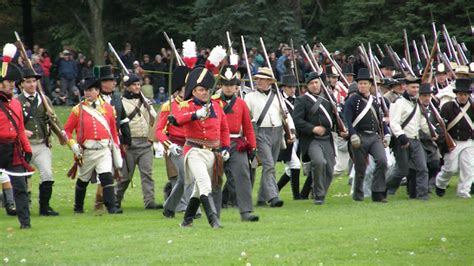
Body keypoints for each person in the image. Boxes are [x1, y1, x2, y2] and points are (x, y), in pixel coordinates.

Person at [175, 66, 230, 229]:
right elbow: (178, 118)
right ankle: (214, 220)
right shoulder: (187, 105)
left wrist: (226, 147)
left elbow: (224, 129)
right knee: (205, 183)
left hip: (212, 153)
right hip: (194, 151)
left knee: (198, 190)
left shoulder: (217, 106)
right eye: (201, 89)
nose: (205, 92)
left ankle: (187, 220)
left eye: (207, 89)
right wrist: (195, 114)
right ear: (193, 91)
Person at [63, 77, 123, 214]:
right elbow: (66, 130)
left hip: (104, 149)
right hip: (87, 150)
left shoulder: (108, 109)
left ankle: (111, 206)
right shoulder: (78, 110)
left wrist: (116, 148)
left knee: (106, 176)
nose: (88, 93)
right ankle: (78, 207)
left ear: (98, 91)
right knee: (83, 180)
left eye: (91, 90)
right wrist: (72, 144)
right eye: (86, 90)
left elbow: (113, 131)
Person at [213, 65, 259, 221]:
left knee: (243, 174)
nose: (228, 88)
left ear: (236, 87)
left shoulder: (241, 104)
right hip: (217, 143)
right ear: (220, 85)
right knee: (214, 178)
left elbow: (248, 128)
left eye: (231, 85)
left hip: (236, 142)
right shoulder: (212, 103)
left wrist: (252, 147)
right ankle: (213, 211)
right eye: (225, 85)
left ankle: (246, 211)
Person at [294, 72, 348, 204]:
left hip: (327, 138)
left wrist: (342, 129)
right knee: (319, 162)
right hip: (311, 139)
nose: (314, 85)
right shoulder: (302, 100)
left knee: (330, 168)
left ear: (320, 83)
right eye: (311, 83)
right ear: (307, 86)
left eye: (316, 82)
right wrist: (313, 128)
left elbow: (336, 118)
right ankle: (319, 195)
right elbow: (297, 120)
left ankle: (319, 191)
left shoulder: (328, 98)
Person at [115, 73, 161, 210]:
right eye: (134, 85)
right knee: (125, 177)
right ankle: (115, 201)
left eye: (138, 84)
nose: (137, 87)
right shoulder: (121, 102)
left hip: (145, 142)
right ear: (127, 87)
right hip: (129, 143)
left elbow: (154, 116)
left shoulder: (145, 100)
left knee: (147, 174)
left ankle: (149, 201)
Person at [17, 68, 59, 216]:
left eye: (34, 81)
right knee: (22, 179)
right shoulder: (16, 102)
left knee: (47, 175)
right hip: (23, 146)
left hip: (41, 144)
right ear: (22, 84)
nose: (32, 84)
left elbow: (54, 121)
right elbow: (11, 124)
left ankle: (44, 207)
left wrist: (62, 135)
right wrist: (21, 132)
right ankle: (21, 206)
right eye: (28, 81)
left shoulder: (44, 100)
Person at [343, 68, 390, 202]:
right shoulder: (352, 101)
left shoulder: (375, 101)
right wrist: (353, 135)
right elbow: (348, 120)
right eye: (360, 83)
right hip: (359, 136)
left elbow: (380, 120)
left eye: (365, 83)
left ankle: (378, 192)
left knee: (382, 161)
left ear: (370, 85)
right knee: (360, 168)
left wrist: (386, 133)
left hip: (374, 137)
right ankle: (358, 195)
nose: (362, 86)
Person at [244, 67, 286, 207]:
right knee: (268, 165)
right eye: (258, 79)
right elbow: (245, 117)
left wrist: (290, 130)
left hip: (277, 131)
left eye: (262, 79)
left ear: (269, 81)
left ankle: (262, 198)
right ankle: (273, 197)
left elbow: (284, 114)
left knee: (271, 165)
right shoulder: (249, 97)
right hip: (260, 132)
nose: (259, 81)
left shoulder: (277, 96)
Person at [386, 76, 431, 200]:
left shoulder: (417, 103)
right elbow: (394, 123)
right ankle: (382, 187)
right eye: (413, 87)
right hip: (403, 141)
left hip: (416, 139)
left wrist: (432, 133)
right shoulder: (398, 103)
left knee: (422, 168)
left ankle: (422, 196)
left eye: (417, 87)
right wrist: (402, 137)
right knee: (402, 171)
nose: (415, 89)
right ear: (405, 87)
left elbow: (422, 122)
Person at [0, 60, 33, 229]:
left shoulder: (16, 103)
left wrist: (27, 148)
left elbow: (20, 129)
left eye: (13, 82)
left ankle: (25, 223)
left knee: (20, 187)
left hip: (13, 148)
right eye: (9, 82)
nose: (12, 86)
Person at [158, 66, 193, 218]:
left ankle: (170, 207)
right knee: (185, 176)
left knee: (191, 177)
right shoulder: (169, 106)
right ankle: (193, 209)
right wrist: (169, 145)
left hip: (193, 144)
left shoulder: (195, 104)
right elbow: (159, 130)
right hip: (176, 146)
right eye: (186, 88)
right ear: (179, 89)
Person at [94, 65, 131, 211]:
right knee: (105, 171)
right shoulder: (95, 99)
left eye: (113, 80)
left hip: (115, 139)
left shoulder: (116, 97)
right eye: (110, 80)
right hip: (99, 139)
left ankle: (107, 200)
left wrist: (127, 140)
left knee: (114, 169)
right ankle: (101, 202)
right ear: (103, 83)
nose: (113, 83)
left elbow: (123, 119)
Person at [435, 79, 473, 199]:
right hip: (453, 141)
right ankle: (440, 183)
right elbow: (441, 126)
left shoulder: (472, 107)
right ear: (456, 94)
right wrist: (443, 141)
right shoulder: (447, 107)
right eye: (460, 94)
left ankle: (463, 192)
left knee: (468, 168)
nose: (463, 97)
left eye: (465, 94)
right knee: (450, 168)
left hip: (469, 141)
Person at [276, 74, 301, 200]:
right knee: (295, 164)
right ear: (284, 88)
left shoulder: (298, 100)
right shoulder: (279, 100)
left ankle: (275, 189)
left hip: (296, 137)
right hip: (285, 138)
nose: (292, 89)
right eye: (289, 87)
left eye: (294, 87)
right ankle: (297, 196)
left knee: (289, 168)